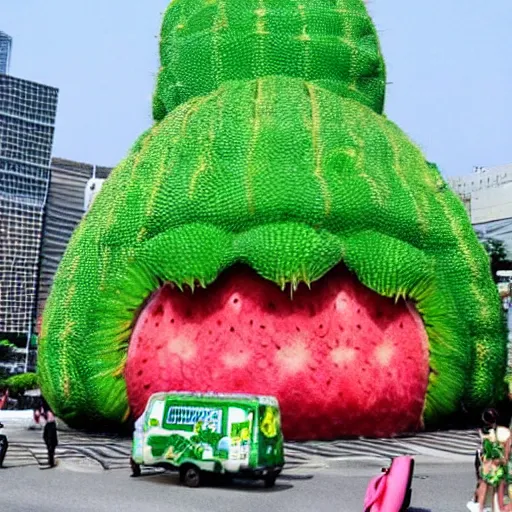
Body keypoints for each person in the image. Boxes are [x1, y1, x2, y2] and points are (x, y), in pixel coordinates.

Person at [474, 409, 511, 512]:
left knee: (484, 484)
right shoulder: (505, 432)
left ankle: (480, 507)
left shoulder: (482, 433)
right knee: (499, 490)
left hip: (487, 464)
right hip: (500, 465)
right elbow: (506, 452)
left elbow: (481, 451)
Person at [34, 398, 58, 468]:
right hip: (49, 424)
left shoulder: (45, 407)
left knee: (50, 442)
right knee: (47, 439)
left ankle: (51, 461)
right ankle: (51, 459)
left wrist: (39, 413)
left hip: (51, 424)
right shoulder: (43, 407)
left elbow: (44, 416)